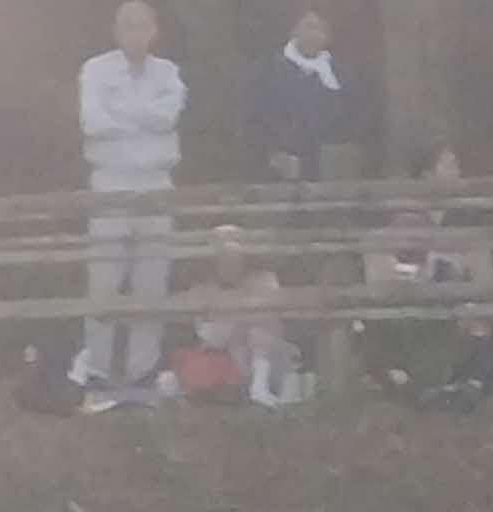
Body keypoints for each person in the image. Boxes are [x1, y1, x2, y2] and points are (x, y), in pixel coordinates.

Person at [78, 0, 186, 404]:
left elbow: (168, 118)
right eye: (126, 25)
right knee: (105, 279)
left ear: (154, 30)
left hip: (157, 183)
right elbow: (93, 122)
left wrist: (122, 111)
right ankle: (99, 371)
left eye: (141, 25)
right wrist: (145, 115)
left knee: (151, 280)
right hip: (111, 183)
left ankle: (143, 371)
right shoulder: (95, 70)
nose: (134, 32)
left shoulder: (169, 72)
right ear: (115, 29)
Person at [356, 179, 493, 401]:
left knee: (478, 325)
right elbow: (379, 289)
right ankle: (413, 384)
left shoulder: (460, 237)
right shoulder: (380, 242)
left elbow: (482, 285)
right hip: (406, 324)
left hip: (449, 322)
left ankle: (470, 381)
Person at [179, 224, 301, 399]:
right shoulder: (201, 289)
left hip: (266, 354)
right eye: (223, 259)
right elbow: (207, 334)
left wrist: (239, 324)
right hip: (225, 358)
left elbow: (270, 318)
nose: (229, 265)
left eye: (235, 258)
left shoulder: (265, 279)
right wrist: (237, 328)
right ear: (214, 262)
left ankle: (260, 387)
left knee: (262, 334)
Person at [248, 6, 348, 181]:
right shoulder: (269, 69)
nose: (315, 34)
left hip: (326, 167)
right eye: (309, 27)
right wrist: (273, 152)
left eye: (321, 29)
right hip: (281, 167)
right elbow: (256, 117)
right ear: (295, 30)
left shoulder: (339, 73)